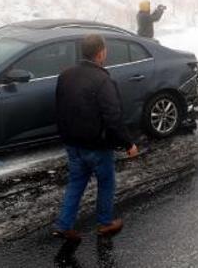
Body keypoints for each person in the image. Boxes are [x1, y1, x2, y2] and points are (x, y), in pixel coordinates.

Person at [53, 34, 139, 239]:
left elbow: (59, 108)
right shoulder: (102, 80)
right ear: (101, 53)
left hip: (73, 143)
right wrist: (128, 143)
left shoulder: (65, 75)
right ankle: (105, 223)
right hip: (96, 145)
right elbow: (113, 116)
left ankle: (64, 224)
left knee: (76, 182)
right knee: (106, 182)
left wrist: (66, 136)